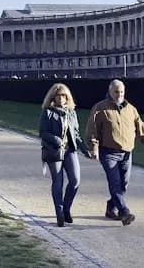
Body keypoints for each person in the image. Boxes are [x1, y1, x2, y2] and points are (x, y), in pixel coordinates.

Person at [85, 79, 144, 226]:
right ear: (110, 92)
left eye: (122, 92)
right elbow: (92, 131)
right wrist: (94, 148)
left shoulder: (131, 109)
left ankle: (111, 207)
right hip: (108, 152)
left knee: (123, 184)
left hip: (126, 153)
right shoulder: (100, 108)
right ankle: (124, 212)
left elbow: (141, 129)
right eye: (116, 92)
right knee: (115, 183)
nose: (119, 94)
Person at [39, 83, 90, 227]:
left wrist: (86, 150)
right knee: (58, 182)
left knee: (75, 180)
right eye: (58, 95)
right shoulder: (48, 112)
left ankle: (66, 208)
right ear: (53, 97)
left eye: (63, 95)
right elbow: (42, 132)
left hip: (69, 150)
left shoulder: (71, 113)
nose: (61, 98)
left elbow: (76, 135)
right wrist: (57, 140)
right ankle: (60, 214)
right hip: (54, 151)